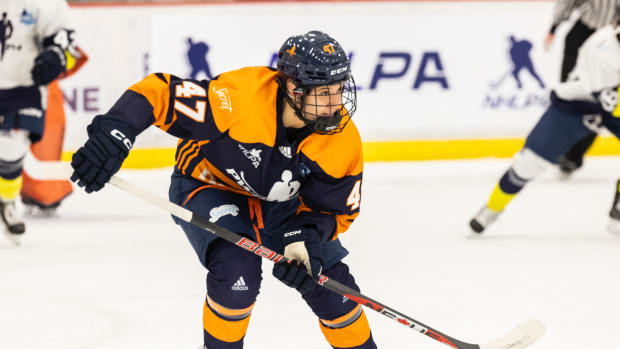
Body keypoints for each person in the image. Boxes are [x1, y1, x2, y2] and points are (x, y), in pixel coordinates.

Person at [69, 31, 377, 349]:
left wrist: (305, 239)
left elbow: (332, 210)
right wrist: (116, 131)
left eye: (339, 89)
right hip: (208, 183)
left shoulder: (341, 140)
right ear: (292, 88)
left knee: (332, 287)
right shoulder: (240, 98)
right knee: (236, 273)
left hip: (279, 202)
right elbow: (160, 92)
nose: (335, 104)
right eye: (323, 92)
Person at [470, 25, 620, 234]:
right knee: (527, 164)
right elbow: (601, 93)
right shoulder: (601, 48)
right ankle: (493, 207)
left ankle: (618, 213)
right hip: (577, 106)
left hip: (611, 107)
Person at [0, 0, 78, 245]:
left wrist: (56, 55)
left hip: (23, 87)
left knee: (11, 147)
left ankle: (7, 200)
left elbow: (62, 36)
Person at [544, 0, 619, 177]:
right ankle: (541, 150)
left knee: (601, 107)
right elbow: (567, 3)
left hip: (611, 44)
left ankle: (572, 157)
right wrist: (553, 28)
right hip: (582, 37)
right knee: (568, 98)